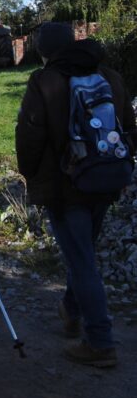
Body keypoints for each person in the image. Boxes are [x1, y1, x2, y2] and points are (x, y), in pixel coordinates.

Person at [15, 22, 136, 367]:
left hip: (65, 186)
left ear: (44, 51)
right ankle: (71, 309)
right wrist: (117, 166)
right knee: (83, 252)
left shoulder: (45, 81)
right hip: (107, 179)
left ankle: (100, 341)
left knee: (82, 259)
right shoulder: (110, 76)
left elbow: (29, 137)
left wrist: (30, 175)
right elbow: (129, 126)